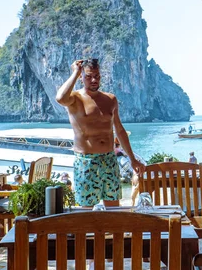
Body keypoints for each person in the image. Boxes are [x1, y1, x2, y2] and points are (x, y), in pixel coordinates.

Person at [56, 58, 145, 208]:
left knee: (113, 210)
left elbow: (120, 131)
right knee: (87, 211)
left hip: (109, 160)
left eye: (97, 76)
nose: (93, 80)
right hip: (86, 161)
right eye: (88, 76)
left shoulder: (110, 99)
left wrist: (132, 159)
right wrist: (75, 72)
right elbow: (60, 98)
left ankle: (112, 231)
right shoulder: (75, 99)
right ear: (81, 77)